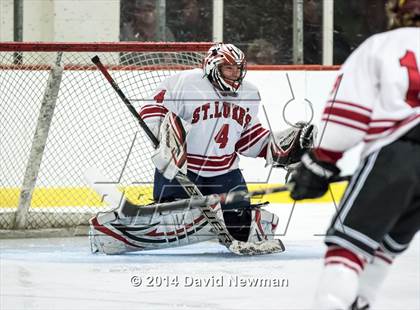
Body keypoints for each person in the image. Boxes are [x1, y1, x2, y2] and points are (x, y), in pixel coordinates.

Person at [89, 43, 315, 254]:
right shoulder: (187, 83)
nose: (235, 73)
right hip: (184, 169)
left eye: (238, 68)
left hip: (226, 172)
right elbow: (155, 106)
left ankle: (230, 225)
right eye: (229, 68)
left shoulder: (249, 94)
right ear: (213, 67)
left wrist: (277, 148)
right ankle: (124, 229)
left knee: (241, 219)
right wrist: (162, 137)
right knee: (173, 216)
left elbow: (247, 138)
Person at [289, 0, 420, 308]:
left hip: (395, 154)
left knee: (347, 246)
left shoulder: (381, 46)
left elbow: (345, 118)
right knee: (384, 246)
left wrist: (320, 163)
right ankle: (361, 301)